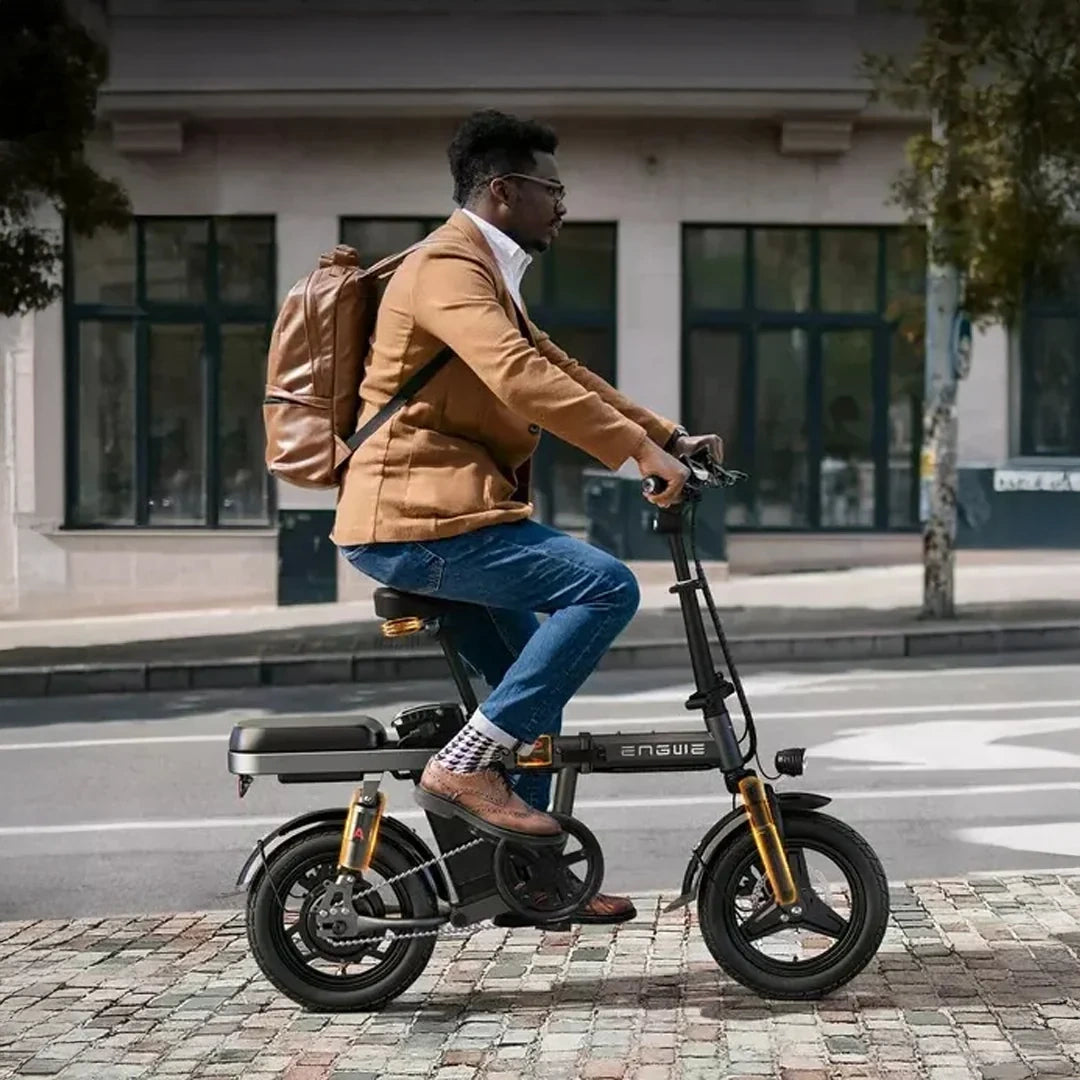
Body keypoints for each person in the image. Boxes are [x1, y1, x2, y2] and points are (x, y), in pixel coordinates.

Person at [333, 109, 723, 924]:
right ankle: (463, 769)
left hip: (445, 513)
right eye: (553, 190)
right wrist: (635, 457)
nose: (563, 206)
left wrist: (666, 436)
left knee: (530, 695)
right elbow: (515, 375)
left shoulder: (484, 269)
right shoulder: (447, 267)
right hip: (415, 519)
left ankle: (529, 881)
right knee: (604, 588)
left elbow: (557, 366)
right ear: (503, 192)